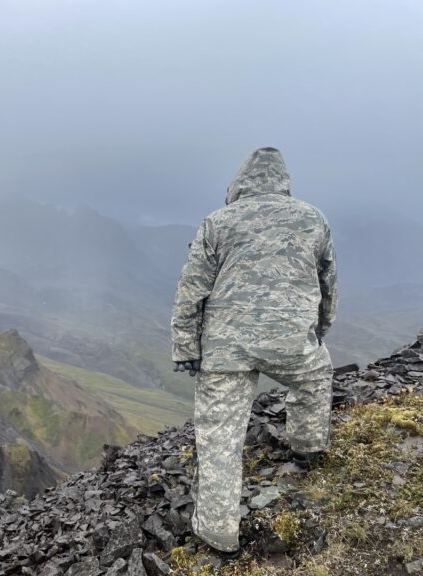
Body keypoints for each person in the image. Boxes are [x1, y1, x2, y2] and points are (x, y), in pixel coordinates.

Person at [170, 147, 338, 553]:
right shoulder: (313, 218)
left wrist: (185, 346)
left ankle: (218, 533)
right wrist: (319, 330)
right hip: (292, 341)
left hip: (225, 348)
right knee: (315, 379)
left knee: (220, 437)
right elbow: (328, 282)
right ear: (282, 182)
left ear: (239, 183)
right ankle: (307, 449)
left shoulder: (218, 221)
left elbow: (191, 291)